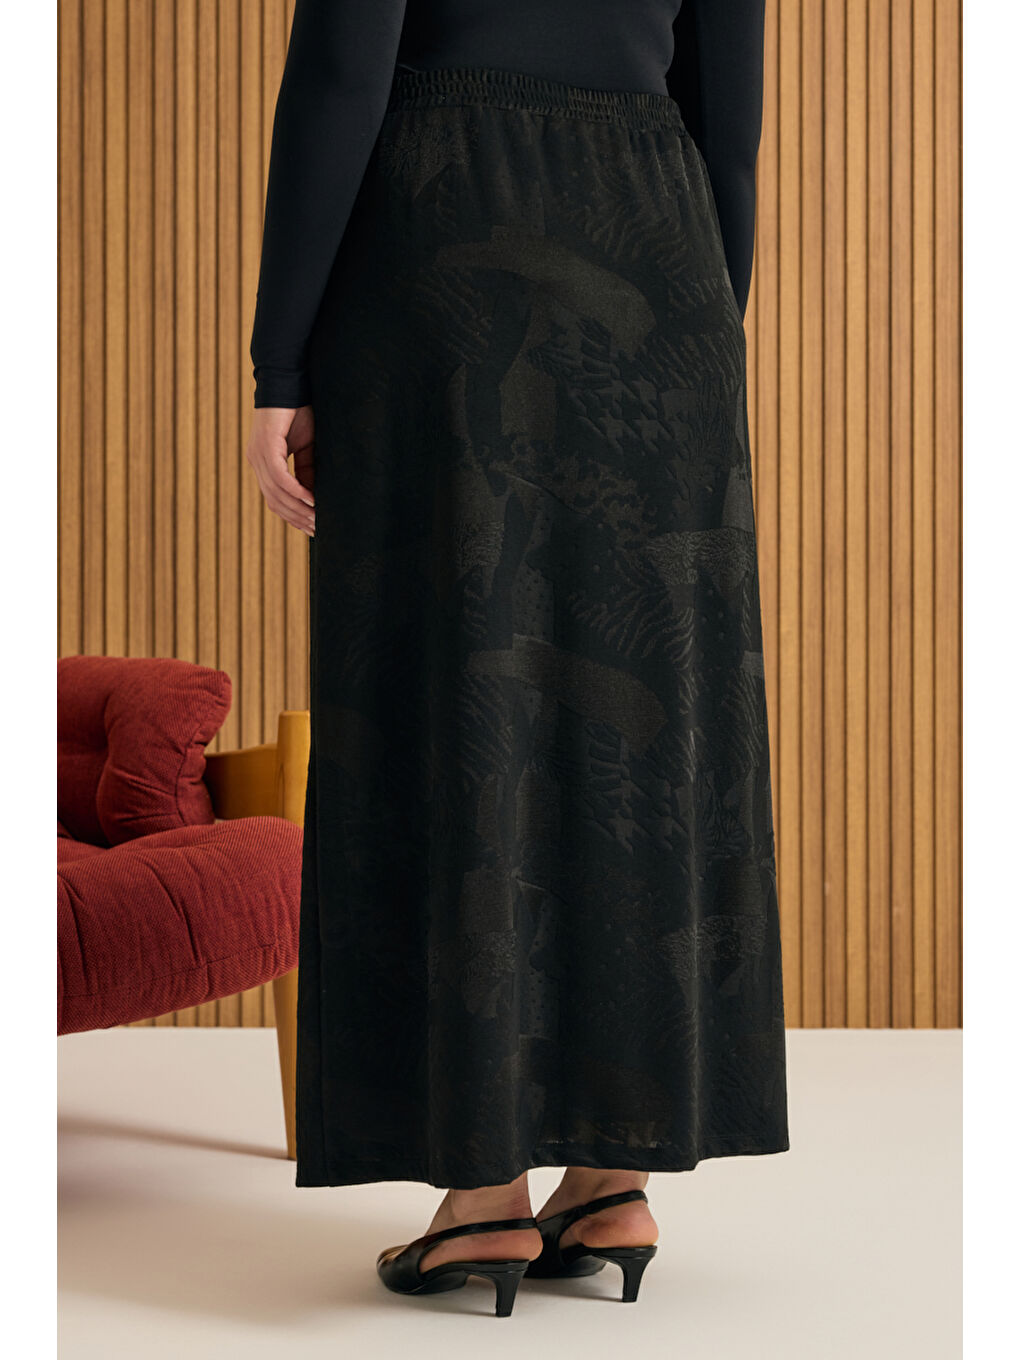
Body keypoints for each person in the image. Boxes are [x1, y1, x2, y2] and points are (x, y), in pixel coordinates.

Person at [245, 0, 789, 1319]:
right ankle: (614, 1175)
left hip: (449, 240)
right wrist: (698, 335)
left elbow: (341, 78)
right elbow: (730, 121)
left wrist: (281, 360)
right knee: (643, 708)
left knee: (448, 675)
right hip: (660, 254)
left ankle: (483, 1192)